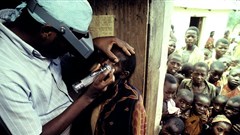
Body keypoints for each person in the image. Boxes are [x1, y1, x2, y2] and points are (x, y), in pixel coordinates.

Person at [0, 1, 135, 135]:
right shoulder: (5, 75)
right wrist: (88, 97)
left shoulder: (30, 29)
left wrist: (94, 44)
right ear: (46, 32)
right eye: (71, 43)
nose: (73, 50)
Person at [71, 46, 146, 135]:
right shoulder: (91, 80)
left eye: (114, 63)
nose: (105, 63)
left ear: (123, 74)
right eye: (106, 57)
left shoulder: (132, 100)